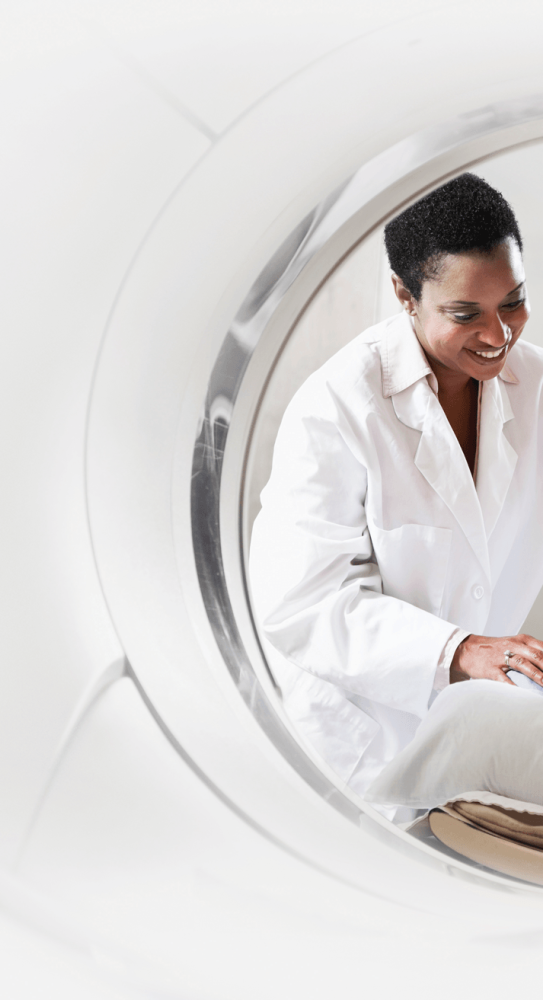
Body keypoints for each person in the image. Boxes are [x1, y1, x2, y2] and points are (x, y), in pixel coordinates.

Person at [249, 173, 543, 809]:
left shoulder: (536, 382)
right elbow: (303, 602)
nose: (500, 337)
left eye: (513, 302)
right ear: (404, 296)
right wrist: (457, 649)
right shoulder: (337, 406)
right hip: (357, 737)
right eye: (465, 314)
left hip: (474, 724)